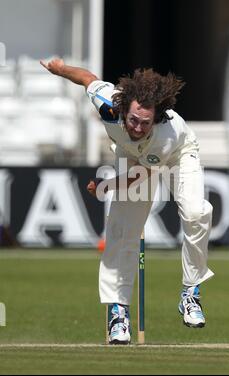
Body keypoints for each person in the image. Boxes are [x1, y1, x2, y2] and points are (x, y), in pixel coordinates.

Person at [41, 58, 214, 345]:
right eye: (133, 119)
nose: (137, 126)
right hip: (132, 155)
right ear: (124, 108)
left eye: (145, 122)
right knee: (123, 229)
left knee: (196, 213)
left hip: (177, 155)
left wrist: (107, 185)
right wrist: (60, 69)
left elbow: (140, 175)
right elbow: (87, 78)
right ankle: (118, 313)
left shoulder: (164, 135)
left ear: (156, 118)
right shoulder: (107, 102)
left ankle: (190, 293)